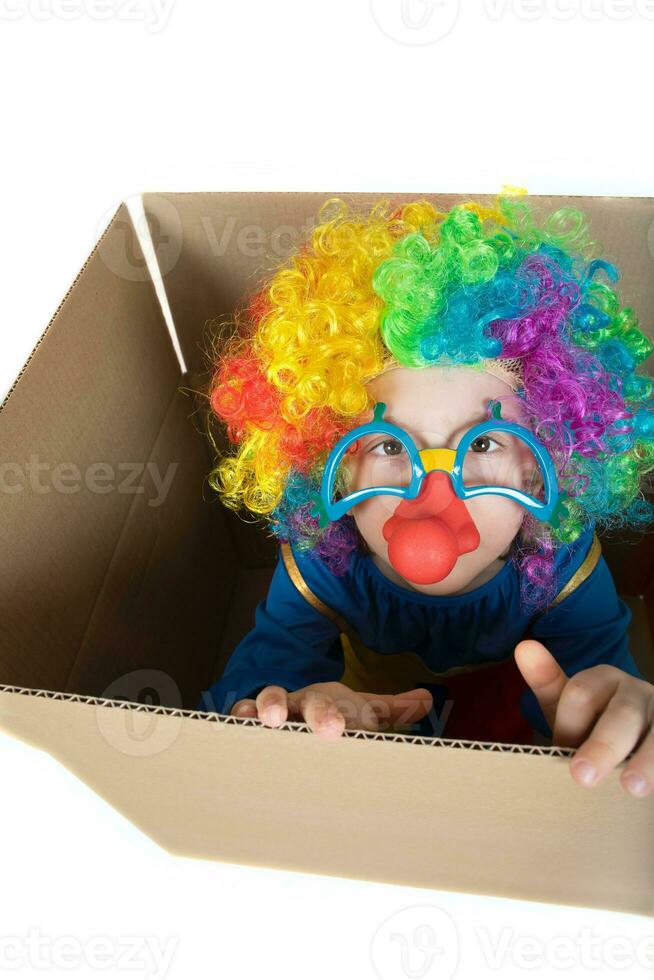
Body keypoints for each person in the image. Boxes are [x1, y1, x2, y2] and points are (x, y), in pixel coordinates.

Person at [197, 190, 654, 799]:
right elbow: (252, 685)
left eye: (485, 445)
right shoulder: (323, 558)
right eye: (389, 446)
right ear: (335, 466)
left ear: (541, 471)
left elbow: (602, 683)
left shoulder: (562, 563)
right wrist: (298, 704)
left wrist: (616, 712)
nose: (434, 498)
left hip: (509, 738)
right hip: (370, 745)